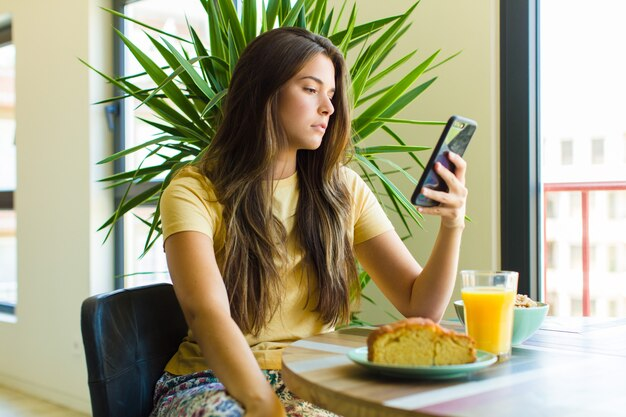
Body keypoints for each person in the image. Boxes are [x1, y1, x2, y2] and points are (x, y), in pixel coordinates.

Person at [151, 27, 468, 417]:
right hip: (211, 379)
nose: (328, 108)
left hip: (312, 379)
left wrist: (452, 224)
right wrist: (263, 405)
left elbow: (421, 307)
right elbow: (207, 313)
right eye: (310, 89)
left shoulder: (342, 190)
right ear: (263, 92)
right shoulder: (194, 190)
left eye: (331, 95)